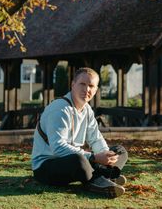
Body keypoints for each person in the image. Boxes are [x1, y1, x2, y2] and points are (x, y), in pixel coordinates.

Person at [31, 67, 128, 198]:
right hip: (46, 166)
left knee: (120, 150)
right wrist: (94, 157)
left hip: (73, 160)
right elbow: (58, 148)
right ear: (73, 84)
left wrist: (106, 156)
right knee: (78, 160)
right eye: (82, 84)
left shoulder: (87, 110)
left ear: (96, 90)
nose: (86, 89)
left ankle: (104, 176)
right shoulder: (60, 109)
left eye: (91, 86)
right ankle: (97, 181)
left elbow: (96, 139)